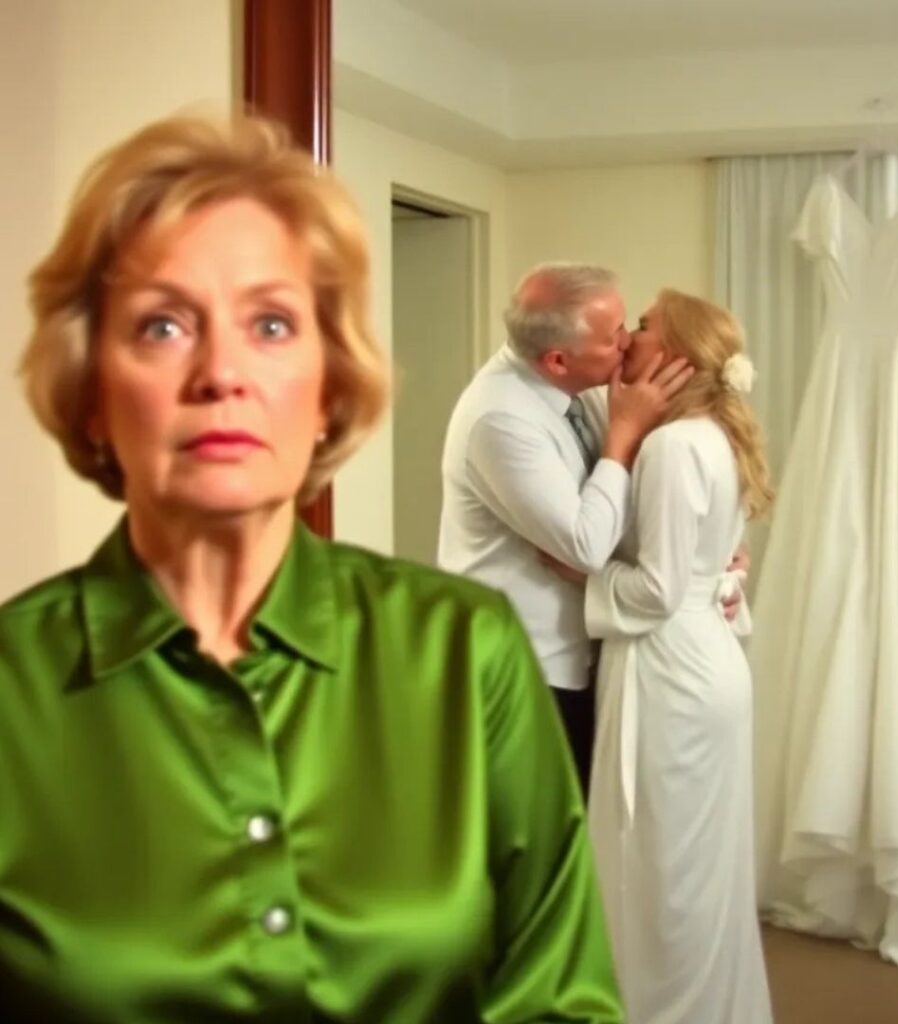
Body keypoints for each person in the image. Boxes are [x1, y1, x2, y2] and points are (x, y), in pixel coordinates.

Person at [0, 114, 623, 1024]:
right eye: (163, 324)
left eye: (271, 323)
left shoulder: (467, 652)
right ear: (92, 389)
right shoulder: (13, 687)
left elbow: (561, 1001)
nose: (222, 373)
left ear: (330, 387)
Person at [546, 291, 775, 1023]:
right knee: (691, 866)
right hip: (704, 662)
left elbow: (657, 590)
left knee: (663, 869)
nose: (630, 338)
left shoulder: (674, 448)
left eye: (644, 327)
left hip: (673, 673)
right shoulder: (712, 436)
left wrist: (582, 573)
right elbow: (708, 567)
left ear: (675, 356)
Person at [437, 264, 691, 793]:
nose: (627, 343)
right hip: (522, 671)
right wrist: (624, 435)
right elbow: (586, 545)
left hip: (573, 662)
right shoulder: (500, 418)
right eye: (613, 336)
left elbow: (619, 507)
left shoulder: (578, 391)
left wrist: (709, 556)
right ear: (557, 360)